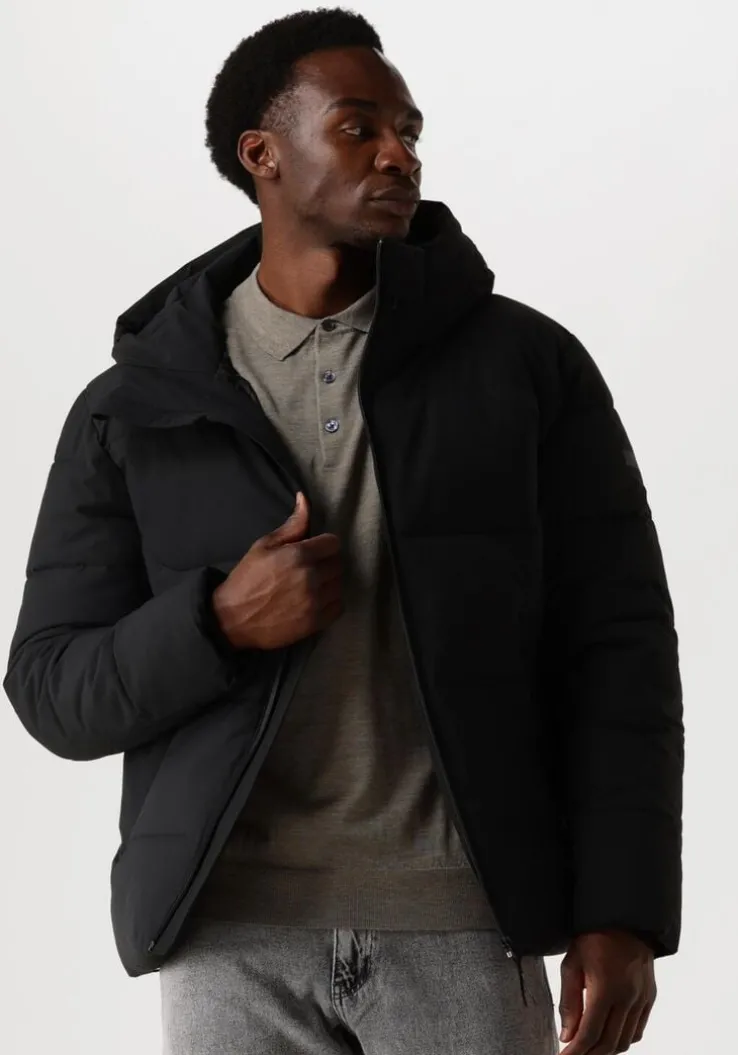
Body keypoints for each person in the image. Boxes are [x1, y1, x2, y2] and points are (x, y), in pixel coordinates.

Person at [3, 7, 684, 1055]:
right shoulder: (134, 406)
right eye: (359, 127)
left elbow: (620, 651)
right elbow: (53, 687)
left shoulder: (527, 367)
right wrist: (218, 623)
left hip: (463, 921)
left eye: (408, 131)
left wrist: (622, 910)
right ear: (262, 154)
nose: (399, 154)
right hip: (226, 935)